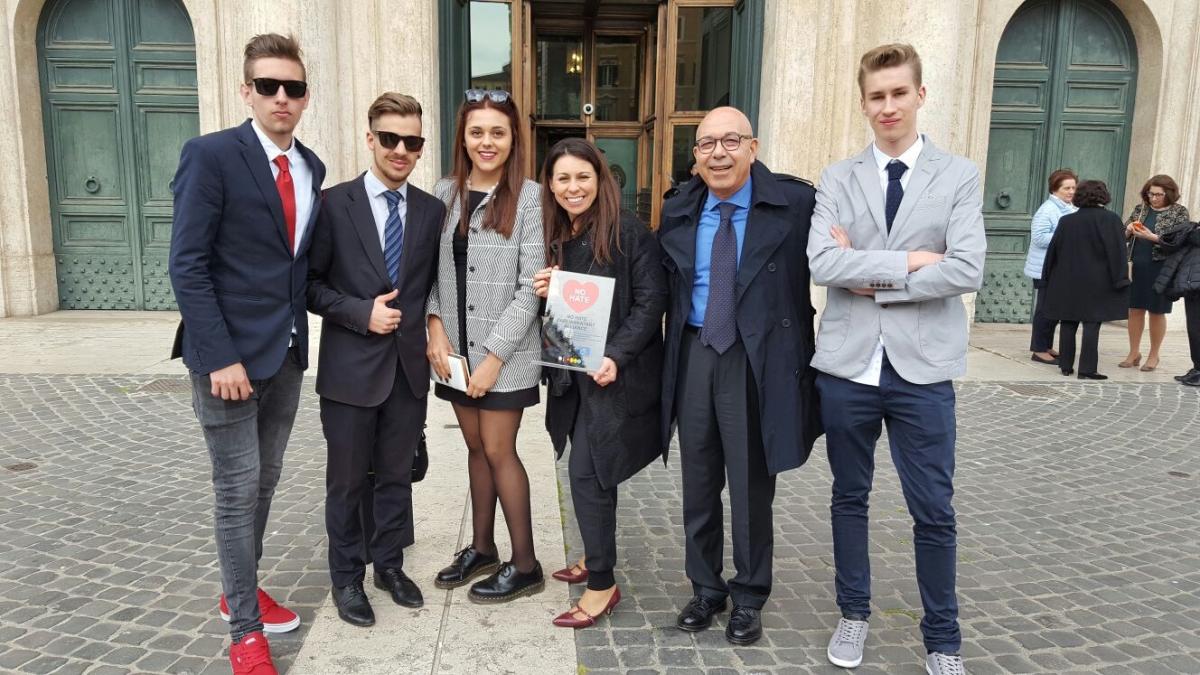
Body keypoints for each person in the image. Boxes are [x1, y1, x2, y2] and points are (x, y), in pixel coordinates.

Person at [807, 43, 986, 675]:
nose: (888, 106)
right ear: (864, 103)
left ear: (920, 95)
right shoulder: (837, 177)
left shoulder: (958, 175)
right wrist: (912, 261)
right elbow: (823, 264)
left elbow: (966, 268)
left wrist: (871, 274)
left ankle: (943, 640)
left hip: (924, 371)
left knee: (933, 510)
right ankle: (853, 613)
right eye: (877, 96)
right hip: (849, 368)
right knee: (848, 497)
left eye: (898, 93)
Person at [168, 34, 325, 675]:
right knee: (235, 491)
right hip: (227, 361)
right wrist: (219, 357)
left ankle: (243, 588)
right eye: (268, 86)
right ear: (246, 91)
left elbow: (299, 268)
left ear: (305, 96)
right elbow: (188, 264)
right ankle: (245, 633)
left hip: (285, 355)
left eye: (292, 87)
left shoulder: (311, 167)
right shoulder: (210, 156)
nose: (281, 98)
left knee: (263, 483)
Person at [658, 106, 822, 646]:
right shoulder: (679, 206)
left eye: (732, 141)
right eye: (707, 145)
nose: (719, 153)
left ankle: (749, 594)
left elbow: (837, 262)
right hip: (695, 351)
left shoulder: (796, 204)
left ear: (753, 147)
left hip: (758, 358)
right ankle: (705, 587)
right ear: (696, 155)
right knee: (698, 481)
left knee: (751, 485)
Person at [306, 93, 445, 627]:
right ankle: (346, 578)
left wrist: (433, 328)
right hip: (348, 373)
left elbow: (435, 286)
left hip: (407, 373)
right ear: (371, 139)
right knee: (345, 482)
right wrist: (359, 313)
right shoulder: (333, 204)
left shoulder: (431, 211)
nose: (401, 150)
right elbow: (311, 287)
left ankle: (388, 564)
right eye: (390, 139)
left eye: (412, 142)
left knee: (394, 477)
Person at [531, 139, 668, 629]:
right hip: (574, 375)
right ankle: (594, 555)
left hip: (614, 377)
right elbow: (563, 313)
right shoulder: (555, 232)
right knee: (589, 472)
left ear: (600, 179)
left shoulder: (629, 232)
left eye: (582, 177)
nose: (573, 188)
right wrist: (549, 291)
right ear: (550, 184)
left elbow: (652, 303)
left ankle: (602, 584)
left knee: (589, 474)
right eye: (563, 178)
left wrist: (616, 356)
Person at [426, 89, 546, 602]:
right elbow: (428, 269)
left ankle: (526, 564)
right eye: (477, 131)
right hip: (454, 351)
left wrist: (495, 358)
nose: (486, 141)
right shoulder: (445, 192)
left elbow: (531, 286)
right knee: (474, 447)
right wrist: (434, 324)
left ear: (513, 137)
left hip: (507, 355)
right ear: (464, 137)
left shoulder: (531, 197)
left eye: (497, 131)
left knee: (500, 450)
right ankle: (481, 547)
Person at [1040, 180, 1130, 379]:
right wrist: (1121, 279)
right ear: (1103, 196)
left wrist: (1047, 277)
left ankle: (1065, 365)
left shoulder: (1067, 221)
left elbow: (1053, 252)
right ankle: (1087, 369)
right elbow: (1117, 252)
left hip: (1068, 280)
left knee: (1068, 321)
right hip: (1098, 282)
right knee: (1092, 324)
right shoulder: (1111, 219)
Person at [1120, 175, 1190, 372]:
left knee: (1157, 311)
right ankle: (1134, 353)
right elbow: (1122, 233)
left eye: (1158, 194)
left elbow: (1181, 241)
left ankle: (1153, 355)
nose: (1153, 198)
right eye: (1151, 193)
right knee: (1134, 309)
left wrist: (1153, 237)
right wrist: (1129, 229)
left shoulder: (1179, 212)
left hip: (1162, 268)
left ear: (1169, 193)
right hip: (1137, 266)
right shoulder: (1141, 208)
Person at [1024, 169, 1078, 365]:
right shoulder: (1047, 210)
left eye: (1073, 187)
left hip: (1060, 267)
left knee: (1054, 308)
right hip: (1045, 267)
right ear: (1055, 189)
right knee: (1045, 308)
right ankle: (1038, 349)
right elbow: (1038, 238)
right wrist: (1065, 237)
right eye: (1067, 188)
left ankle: (1046, 345)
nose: (1071, 191)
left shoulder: (1070, 208)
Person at [1153, 221, 1200, 385]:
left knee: (1196, 328)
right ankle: (1197, 368)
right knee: (1194, 329)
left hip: (1195, 284)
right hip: (1193, 285)